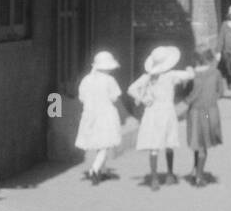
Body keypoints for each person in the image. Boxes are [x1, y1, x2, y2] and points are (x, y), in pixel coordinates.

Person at [129, 46, 194, 191]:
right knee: (169, 142)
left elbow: (131, 89)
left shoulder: (147, 77)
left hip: (152, 112)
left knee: (154, 145)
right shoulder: (171, 75)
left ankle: (154, 178)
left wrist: (143, 99)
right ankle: (170, 173)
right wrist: (190, 69)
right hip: (167, 111)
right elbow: (189, 75)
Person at [76, 50, 123, 185]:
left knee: (98, 143)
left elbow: (82, 98)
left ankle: (102, 170)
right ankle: (95, 169)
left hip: (90, 114)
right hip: (106, 114)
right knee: (105, 145)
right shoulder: (110, 80)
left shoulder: (86, 79)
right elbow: (114, 97)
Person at [186, 47, 223, 186]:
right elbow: (221, 91)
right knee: (204, 140)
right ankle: (199, 176)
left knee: (197, 140)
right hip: (208, 111)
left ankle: (196, 169)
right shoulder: (216, 73)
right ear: (210, 59)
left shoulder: (192, 74)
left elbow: (186, 92)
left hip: (194, 112)